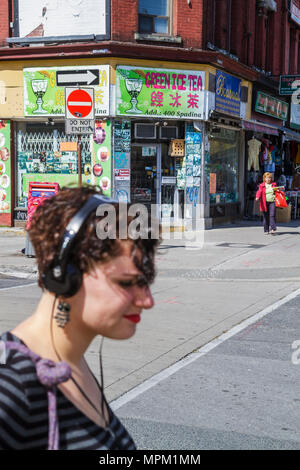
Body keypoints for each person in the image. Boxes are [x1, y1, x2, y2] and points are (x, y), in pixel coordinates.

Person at [0, 186, 160, 450]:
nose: (147, 301)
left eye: (145, 282)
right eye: (126, 283)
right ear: (65, 276)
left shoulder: (73, 362)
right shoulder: (11, 385)